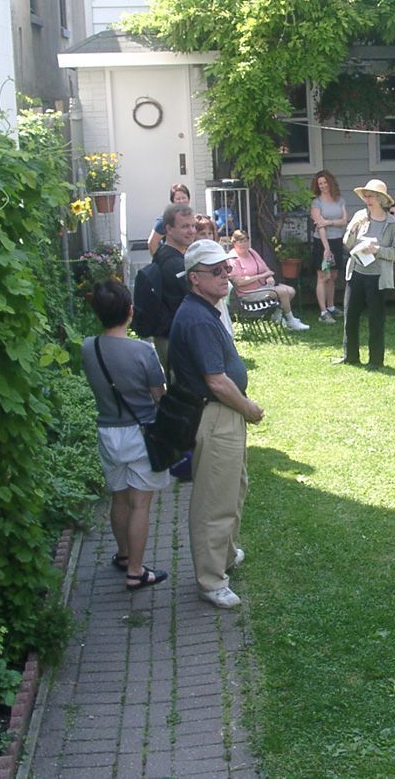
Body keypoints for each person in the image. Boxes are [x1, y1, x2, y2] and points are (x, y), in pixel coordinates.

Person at [168, 239, 265, 609]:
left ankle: (224, 555)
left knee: (233, 487)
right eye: (216, 271)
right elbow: (217, 381)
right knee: (214, 499)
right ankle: (210, 580)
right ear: (194, 278)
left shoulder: (206, 307)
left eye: (226, 268)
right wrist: (249, 409)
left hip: (224, 412)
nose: (226, 275)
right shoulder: (196, 319)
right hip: (216, 414)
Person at [80, 279, 169, 590]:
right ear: (130, 311)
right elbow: (159, 395)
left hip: (107, 430)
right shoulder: (142, 351)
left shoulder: (87, 347)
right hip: (140, 432)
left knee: (118, 497)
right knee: (140, 504)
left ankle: (122, 554)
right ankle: (136, 570)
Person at [337, 179, 395, 369]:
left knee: (376, 320)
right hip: (356, 272)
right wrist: (353, 228)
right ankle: (350, 356)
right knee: (350, 317)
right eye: (366, 195)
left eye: (371, 195)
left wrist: (378, 251)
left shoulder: (392, 224)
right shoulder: (360, 216)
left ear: (381, 199)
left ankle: (376, 361)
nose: (367, 199)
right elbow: (347, 243)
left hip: (378, 278)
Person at [226, 230, 309, 331]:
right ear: (234, 243)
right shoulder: (233, 258)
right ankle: (291, 320)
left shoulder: (252, 252)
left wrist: (269, 277)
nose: (244, 244)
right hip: (247, 293)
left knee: (291, 291)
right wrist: (262, 276)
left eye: (246, 240)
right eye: (241, 241)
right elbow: (239, 282)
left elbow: (266, 270)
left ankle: (277, 316)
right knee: (282, 292)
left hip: (262, 287)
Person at [152, 202, 197, 374]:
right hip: (173, 339)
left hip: (170, 336)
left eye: (193, 226)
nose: (191, 231)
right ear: (168, 230)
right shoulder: (174, 264)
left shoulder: (163, 253)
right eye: (185, 226)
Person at [310, 170, 348, 324]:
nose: (323, 186)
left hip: (337, 240)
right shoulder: (316, 203)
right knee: (323, 276)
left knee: (333, 275)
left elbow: (344, 220)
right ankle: (323, 312)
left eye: (325, 182)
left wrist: (329, 222)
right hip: (322, 242)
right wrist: (326, 248)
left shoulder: (340, 200)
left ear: (330, 182)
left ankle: (331, 306)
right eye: (320, 184)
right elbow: (320, 226)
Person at [147, 183, 191, 256]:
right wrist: (160, 261)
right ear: (172, 201)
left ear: (188, 199)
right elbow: (152, 243)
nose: (181, 201)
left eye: (184, 198)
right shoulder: (165, 221)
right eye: (178, 199)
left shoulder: (192, 219)